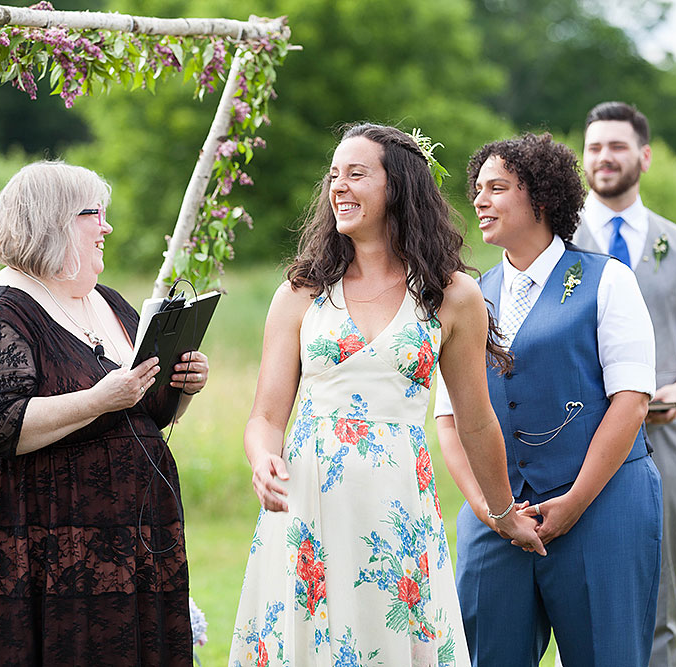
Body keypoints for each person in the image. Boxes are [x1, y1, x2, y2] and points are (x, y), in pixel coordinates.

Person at [227, 123, 543, 667]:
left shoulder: (452, 297)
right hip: (309, 505)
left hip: (397, 507)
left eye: (356, 174)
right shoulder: (301, 292)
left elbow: (475, 422)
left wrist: (503, 510)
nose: (338, 188)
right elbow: (265, 417)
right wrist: (263, 460)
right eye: (333, 176)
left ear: (396, 186)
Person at [0, 161, 210, 666]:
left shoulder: (107, 302)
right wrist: (99, 399)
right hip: (35, 540)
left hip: (117, 544)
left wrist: (185, 386)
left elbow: (146, 411)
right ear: (52, 221)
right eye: (95, 214)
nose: (106, 227)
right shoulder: (3, 312)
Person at [433, 133, 662, 666]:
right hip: (496, 520)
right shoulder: (466, 296)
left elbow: (630, 402)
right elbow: (448, 420)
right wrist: (490, 510)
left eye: (497, 188)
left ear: (540, 198)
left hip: (603, 507)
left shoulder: (608, 281)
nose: (480, 201)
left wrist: (574, 502)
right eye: (477, 189)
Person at [574, 101, 676, 667]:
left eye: (616, 146)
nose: (604, 157)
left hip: (661, 440)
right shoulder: (557, 239)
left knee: (658, 592)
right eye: (594, 147)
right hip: (576, 438)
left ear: (644, 155)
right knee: (580, 592)